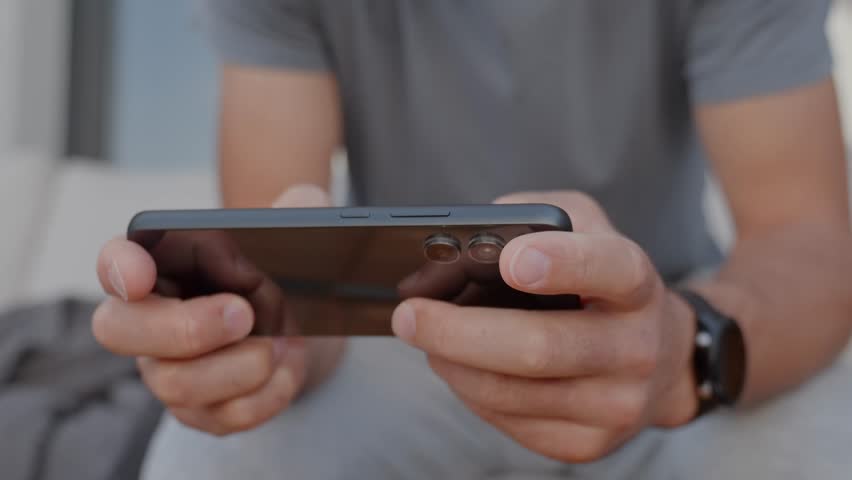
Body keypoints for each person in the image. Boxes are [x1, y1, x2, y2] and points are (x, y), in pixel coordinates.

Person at [92, 1, 852, 478]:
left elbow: (808, 237)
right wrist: (279, 343)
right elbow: (281, 251)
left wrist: (686, 354)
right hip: (393, 340)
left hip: (666, 333)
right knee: (212, 460)